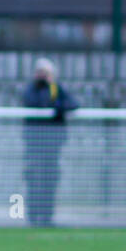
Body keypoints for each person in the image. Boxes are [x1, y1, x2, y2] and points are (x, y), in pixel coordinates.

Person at [20, 58, 79, 227]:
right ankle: (34, 217)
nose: (42, 76)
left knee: (50, 181)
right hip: (35, 144)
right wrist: (56, 106)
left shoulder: (55, 88)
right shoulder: (32, 89)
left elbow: (72, 104)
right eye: (40, 72)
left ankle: (47, 217)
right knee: (34, 180)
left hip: (53, 145)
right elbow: (36, 103)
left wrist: (57, 105)